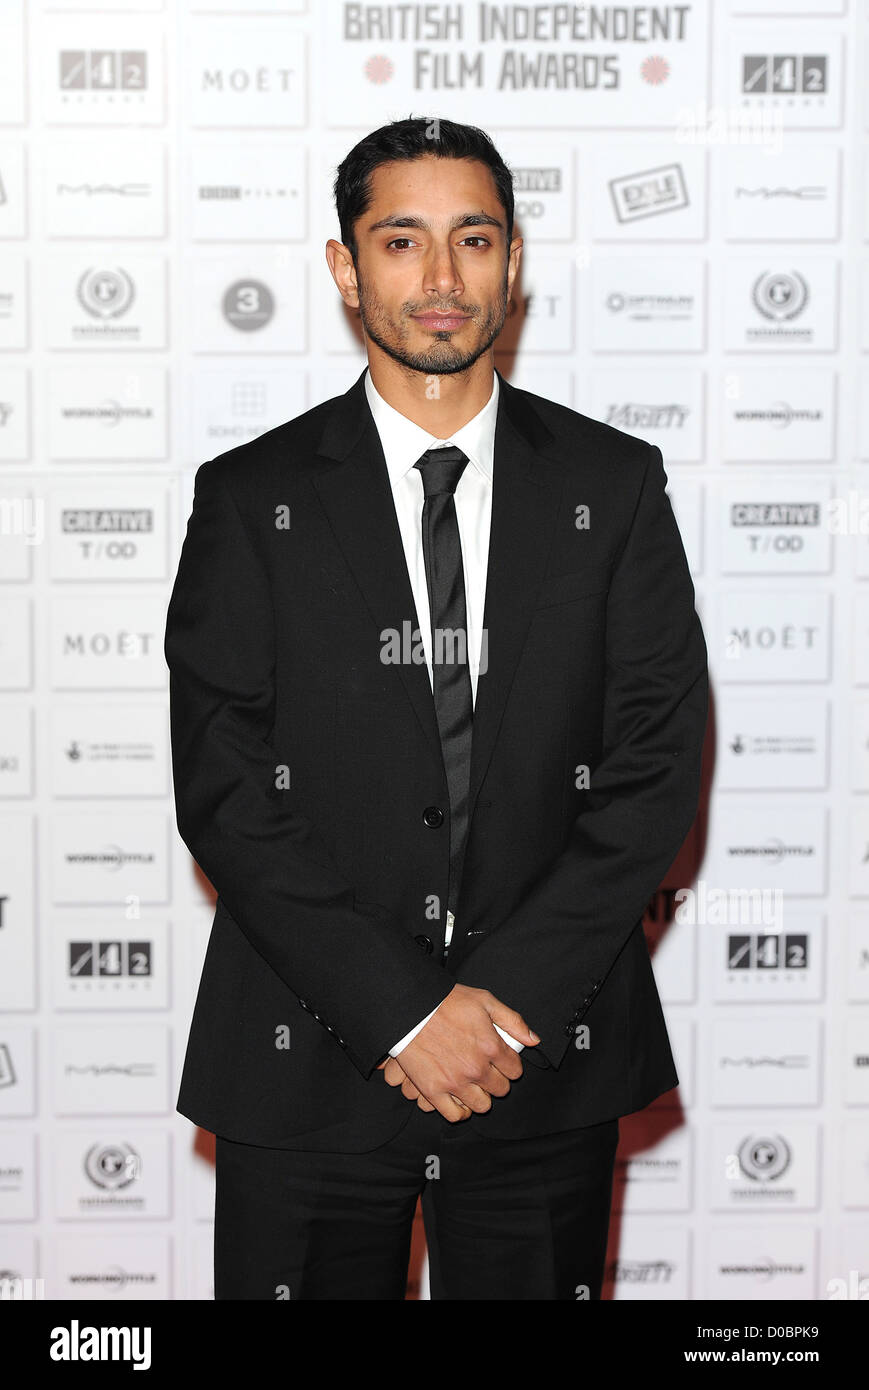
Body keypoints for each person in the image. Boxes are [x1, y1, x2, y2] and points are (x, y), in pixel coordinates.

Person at [164, 116, 709, 1301]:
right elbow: (223, 785)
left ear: (513, 263)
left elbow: (653, 765)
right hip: (305, 1058)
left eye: (473, 239)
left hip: (537, 1062)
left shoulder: (611, 489)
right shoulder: (251, 500)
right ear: (344, 267)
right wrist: (404, 1013)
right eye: (401, 241)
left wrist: (497, 1006)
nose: (443, 279)